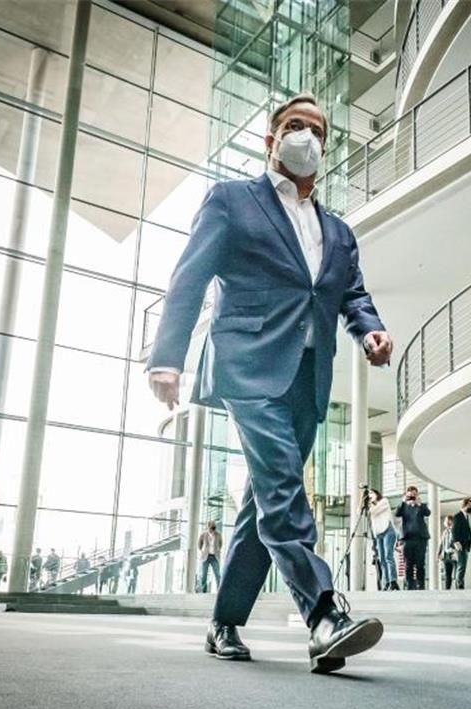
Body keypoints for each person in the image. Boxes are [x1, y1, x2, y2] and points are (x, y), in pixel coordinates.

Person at [146, 92, 392, 673]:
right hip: (248, 364)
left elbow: (350, 292)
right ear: (271, 139)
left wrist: (371, 331)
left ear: (325, 148)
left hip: (308, 373)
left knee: (264, 500)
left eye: (315, 129)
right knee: (283, 485)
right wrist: (167, 357)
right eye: (293, 125)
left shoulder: (337, 229)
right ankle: (325, 613)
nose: (305, 135)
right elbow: (191, 275)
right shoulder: (232, 200)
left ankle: (224, 621)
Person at [394, 486, 431, 590]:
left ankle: (421, 585)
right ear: (406, 495)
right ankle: (410, 586)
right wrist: (403, 501)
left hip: (420, 539)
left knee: (420, 563)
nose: (412, 497)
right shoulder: (404, 506)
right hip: (407, 539)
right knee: (408, 564)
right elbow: (397, 513)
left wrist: (419, 504)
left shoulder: (421, 505)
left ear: (417, 495)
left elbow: (428, 513)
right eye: (410, 495)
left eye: (414, 495)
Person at [368, 489, 399, 591]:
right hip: (378, 534)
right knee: (381, 559)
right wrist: (362, 502)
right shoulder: (370, 506)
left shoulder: (384, 501)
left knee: (388, 556)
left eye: (371, 493)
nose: (370, 495)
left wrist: (369, 506)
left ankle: (393, 581)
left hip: (388, 530)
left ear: (377, 494)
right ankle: (386, 582)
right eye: (368, 494)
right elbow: (358, 512)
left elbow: (374, 511)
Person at [450, 499, 471, 589]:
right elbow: (454, 531)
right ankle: (459, 586)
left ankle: (460, 585)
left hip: (465, 546)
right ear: (464, 505)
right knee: (461, 566)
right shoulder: (458, 516)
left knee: (462, 566)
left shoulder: (466, 517)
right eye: (469, 505)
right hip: (460, 545)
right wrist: (456, 542)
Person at [197, 520, 223, 593]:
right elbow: (199, 545)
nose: (213, 529)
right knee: (204, 575)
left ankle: (220, 591)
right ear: (208, 527)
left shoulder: (218, 535)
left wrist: (217, 550)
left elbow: (220, 544)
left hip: (215, 557)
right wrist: (203, 551)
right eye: (212, 527)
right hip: (205, 557)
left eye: (214, 527)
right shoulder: (203, 535)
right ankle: (203, 591)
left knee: (217, 574)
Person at [438, 516, 455, 590]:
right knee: (447, 574)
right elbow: (441, 543)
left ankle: (459, 589)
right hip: (446, 555)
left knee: (456, 574)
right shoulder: (445, 532)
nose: (445, 522)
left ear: (451, 521)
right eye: (445, 521)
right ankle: (447, 590)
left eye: (447, 521)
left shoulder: (455, 531)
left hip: (453, 554)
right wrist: (438, 554)